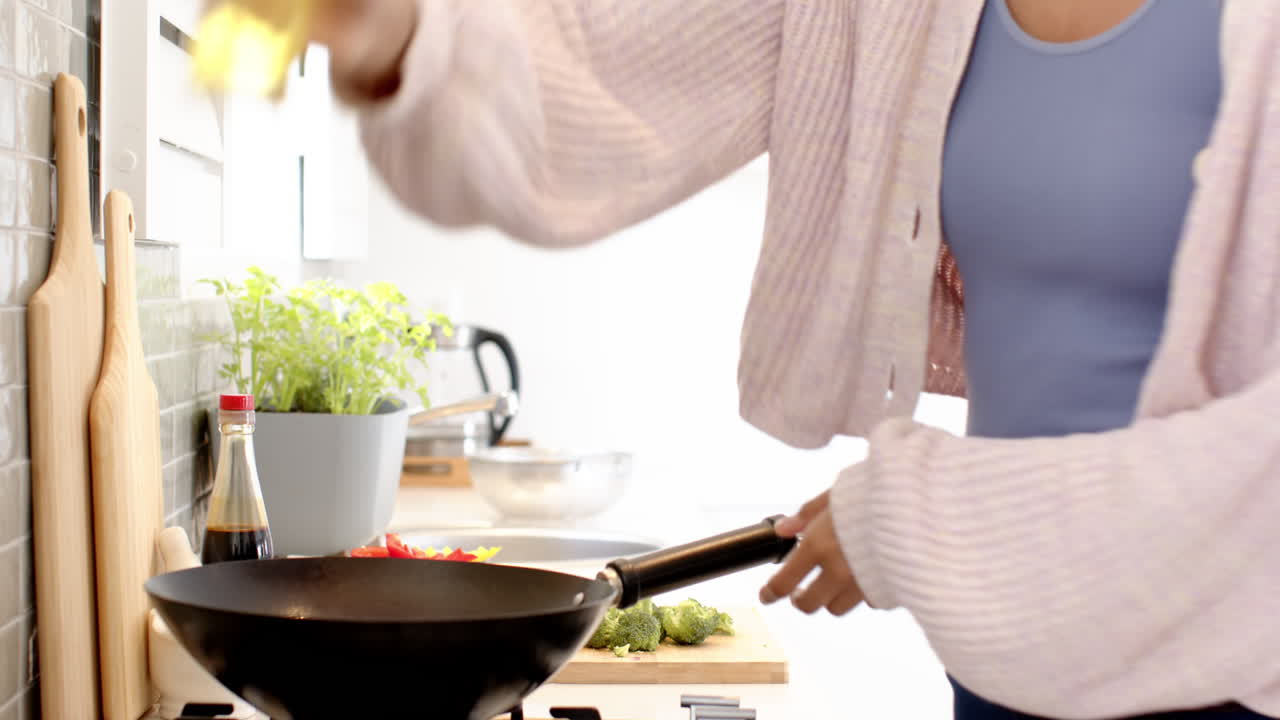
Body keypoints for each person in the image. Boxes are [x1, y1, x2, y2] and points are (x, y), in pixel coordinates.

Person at [299, 1, 1280, 718]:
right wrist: (397, 35)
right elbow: (593, 89)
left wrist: (915, 517)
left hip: (1241, 665)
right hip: (1017, 661)